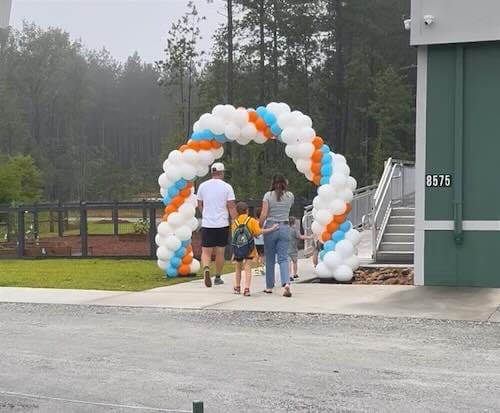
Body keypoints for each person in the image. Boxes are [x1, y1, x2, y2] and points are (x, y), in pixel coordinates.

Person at [197, 162, 237, 288]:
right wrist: (236, 220)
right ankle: (218, 276)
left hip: (208, 223)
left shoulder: (203, 186)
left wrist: (205, 214)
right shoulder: (227, 187)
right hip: (222, 223)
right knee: (220, 251)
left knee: (206, 251)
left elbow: (199, 204)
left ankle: (206, 269)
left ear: (211, 173)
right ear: (222, 173)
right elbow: (231, 205)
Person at [259, 174, 295, 297]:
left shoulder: (268, 196)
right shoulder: (290, 196)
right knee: (283, 258)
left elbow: (264, 214)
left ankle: (269, 286)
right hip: (285, 227)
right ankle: (286, 283)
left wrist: (259, 226)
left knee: (269, 259)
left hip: (271, 227)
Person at [231, 202, 278, 296]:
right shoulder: (251, 220)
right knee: (247, 268)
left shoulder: (235, 222)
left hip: (238, 248)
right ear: (247, 210)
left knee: (238, 268)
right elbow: (258, 232)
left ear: (237, 212)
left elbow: (234, 237)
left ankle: (237, 287)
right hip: (249, 248)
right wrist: (272, 229)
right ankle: (247, 288)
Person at [288, 216, 314, 281]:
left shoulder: (286, 229)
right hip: (293, 248)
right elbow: (300, 237)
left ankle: (289, 275)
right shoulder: (295, 229)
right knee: (295, 261)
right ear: (294, 222)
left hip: (286, 247)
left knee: (288, 262)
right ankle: (295, 274)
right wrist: (309, 237)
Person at [254, 207, 265, 275]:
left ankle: (256, 268)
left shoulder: (254, 222)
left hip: (255, 241)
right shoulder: (264, 222)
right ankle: (261, 268)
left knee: (256, 255)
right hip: (263, 241)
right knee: (262, 255)